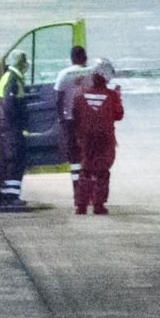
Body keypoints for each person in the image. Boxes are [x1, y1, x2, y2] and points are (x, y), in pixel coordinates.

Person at [71, 58, 124, 215]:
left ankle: (81, 206)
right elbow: (119, 114)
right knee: (102, 171)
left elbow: (75, 115)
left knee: (86, 170)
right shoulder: (111, 95)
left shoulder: (80, 94)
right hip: (105, 138)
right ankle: (98, 205)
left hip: (86, 138)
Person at [55, 45, 93, 194]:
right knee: (89, 154)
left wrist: (61, 119)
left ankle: (78, 190)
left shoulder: (64, 74)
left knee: (74, 156)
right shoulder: (92, 73)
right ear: (85, 58)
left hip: (70, 121)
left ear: (71, 59)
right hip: (89, 121)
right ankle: (90, 190)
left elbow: (58, 100)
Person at [0, 51, 28, 206]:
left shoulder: (11, 77)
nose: (26, 64)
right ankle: (11, 196)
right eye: (24, 60)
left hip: (7, 127)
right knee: (13, 160)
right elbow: (10, 105)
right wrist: (18, 126)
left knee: (10, 160)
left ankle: (10, 194)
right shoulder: (12, 79)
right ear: (19, 62)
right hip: (10, 127)